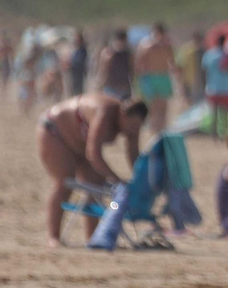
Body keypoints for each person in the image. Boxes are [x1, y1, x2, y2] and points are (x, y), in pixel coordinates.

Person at [36, 93, 148, 245]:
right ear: (122, 114)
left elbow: (133, 154)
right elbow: (94, 153)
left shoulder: (132, 124)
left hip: (81, 145)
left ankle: (93, 238)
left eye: (137, 127)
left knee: (95, 186)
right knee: (65, 183)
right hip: (54, 133)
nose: (133, 131)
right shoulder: (105, 112)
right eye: (132, 126)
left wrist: (141, 179)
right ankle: (53, 237)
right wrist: (116, 179)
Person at [134, 23, 180, 133]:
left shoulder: (167, 45)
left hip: (163, 76)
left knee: (163, 106)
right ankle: (154, 129)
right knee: (153, 106)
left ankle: (161, 129)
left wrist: (177, 74)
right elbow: (139, 62)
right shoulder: (145, 44)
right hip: (150, 77)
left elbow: (172, 62)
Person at [97, 29, 134, 100]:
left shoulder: (128, 53)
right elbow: (104, 69)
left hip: (122, 86)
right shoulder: (109, 52)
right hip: (112, 86)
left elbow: (132, 69)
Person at [66, 30, 88, 97]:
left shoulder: (82, 50)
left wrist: (70, 65)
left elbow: (79, 62)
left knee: (78, 92)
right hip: (73, 73)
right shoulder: (76, 50)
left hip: (78, 73)